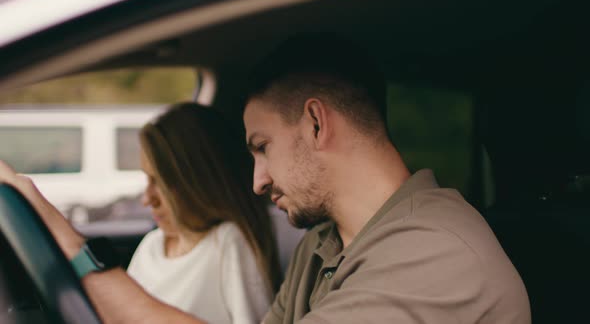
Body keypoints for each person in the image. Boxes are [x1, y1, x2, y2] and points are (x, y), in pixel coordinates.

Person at [0, 34, 531, 324]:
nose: (255, 180)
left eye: (261, 148)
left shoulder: (435, 252)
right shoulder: (323, 243)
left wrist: (65, 245)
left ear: (317, 123)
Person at [126, 103, 281, 322]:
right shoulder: (151, 245)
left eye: (161, 182)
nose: (147, 199)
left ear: (199, 183)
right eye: (147, 180)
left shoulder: (228, 243)